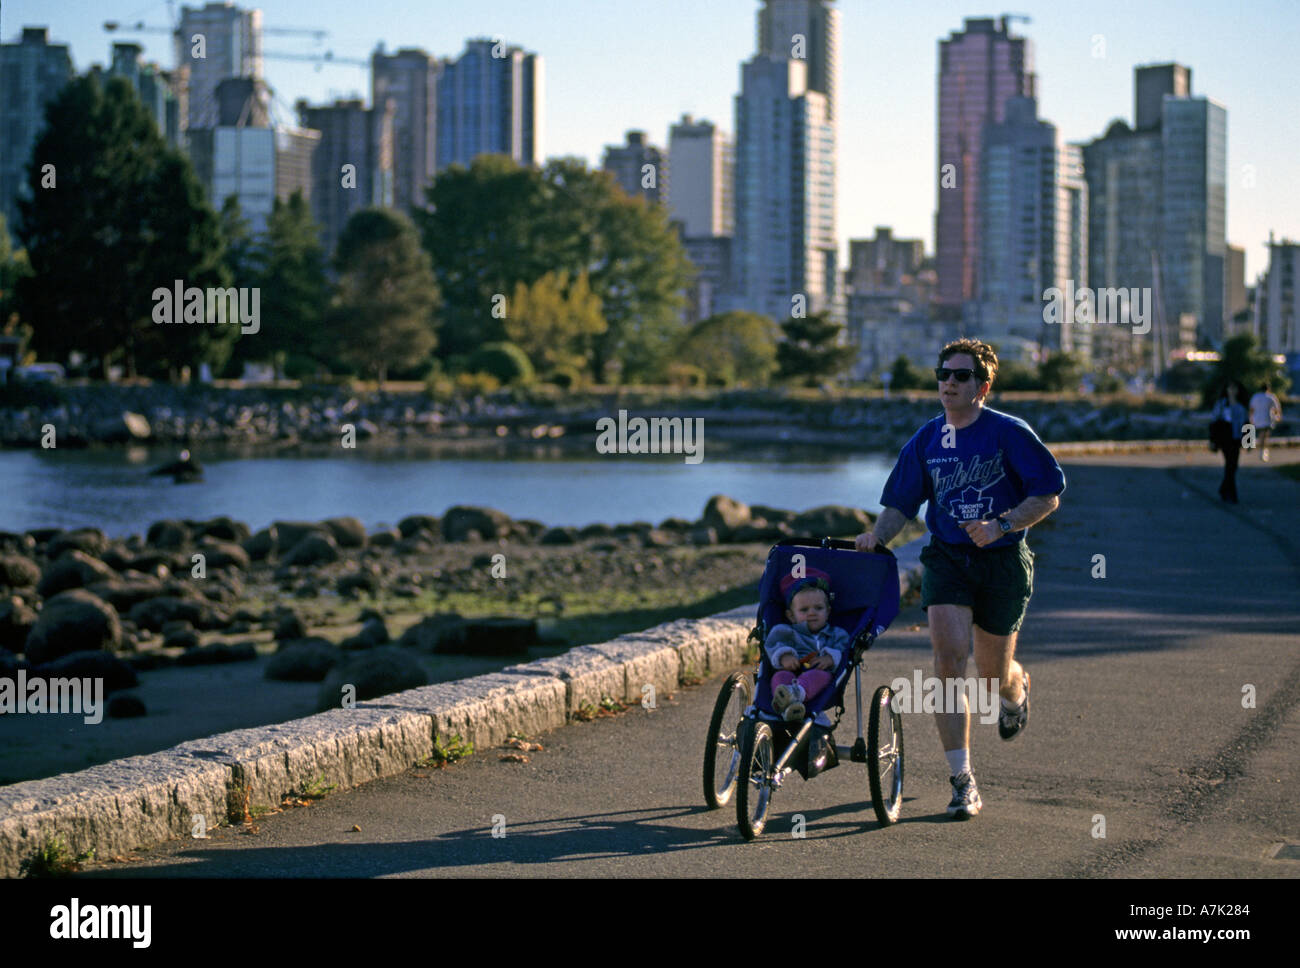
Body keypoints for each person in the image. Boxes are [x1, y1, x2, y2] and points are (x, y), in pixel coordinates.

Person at [854, 339, 1065, 819]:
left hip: (1002, 562)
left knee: (992, 676)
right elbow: (901, 505)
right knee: (948, 663)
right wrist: (877, 538)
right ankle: (962, 780)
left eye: (961, 376)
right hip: (947, 558)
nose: (949, 382)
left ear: (982, 387)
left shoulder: (1008, 433)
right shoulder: (928, 439)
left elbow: (1048, 493)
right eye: (943, 373)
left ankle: (1016, 692)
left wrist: (1003, 524)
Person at [765, 569, 848, 723]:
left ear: (828, 611)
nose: (812, 613)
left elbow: (843, 648)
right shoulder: (787, 631)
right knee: (779, 676)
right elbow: (774, 644)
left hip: (817, 677)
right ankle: (785, 706)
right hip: (790, 672)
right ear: (791, 616)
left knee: (819, 676)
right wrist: (785, 656)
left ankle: (797, 694)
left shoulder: (836, 634)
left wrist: (830, 659)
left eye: (818, 608)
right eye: (804, 610)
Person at [1212, 382, 1249, 502]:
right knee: (1230, 464)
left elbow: (1247, 423)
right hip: (1225, 438)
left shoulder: (1242, 405)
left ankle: (1224, 489)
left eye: (1235, 388)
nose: (1232, 391)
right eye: (1230, 388)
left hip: (1236, 437)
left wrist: (1249, 443)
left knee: (1233, 465)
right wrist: (1213, 440)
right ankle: (1233, 494)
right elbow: (1214, 422)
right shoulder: (1221, 404)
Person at [1248, 382, 1283, 462]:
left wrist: (1250, 418)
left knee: (1261, 434)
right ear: (1268, 389)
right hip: (1267, 419)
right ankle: (1262, 450)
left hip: (1256, 419)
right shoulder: (1271, 397)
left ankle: (1260, 449)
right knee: (1265, 435)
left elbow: (1251, 409)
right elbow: (1277, 409)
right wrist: (1278, 417)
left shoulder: (1255, 396)